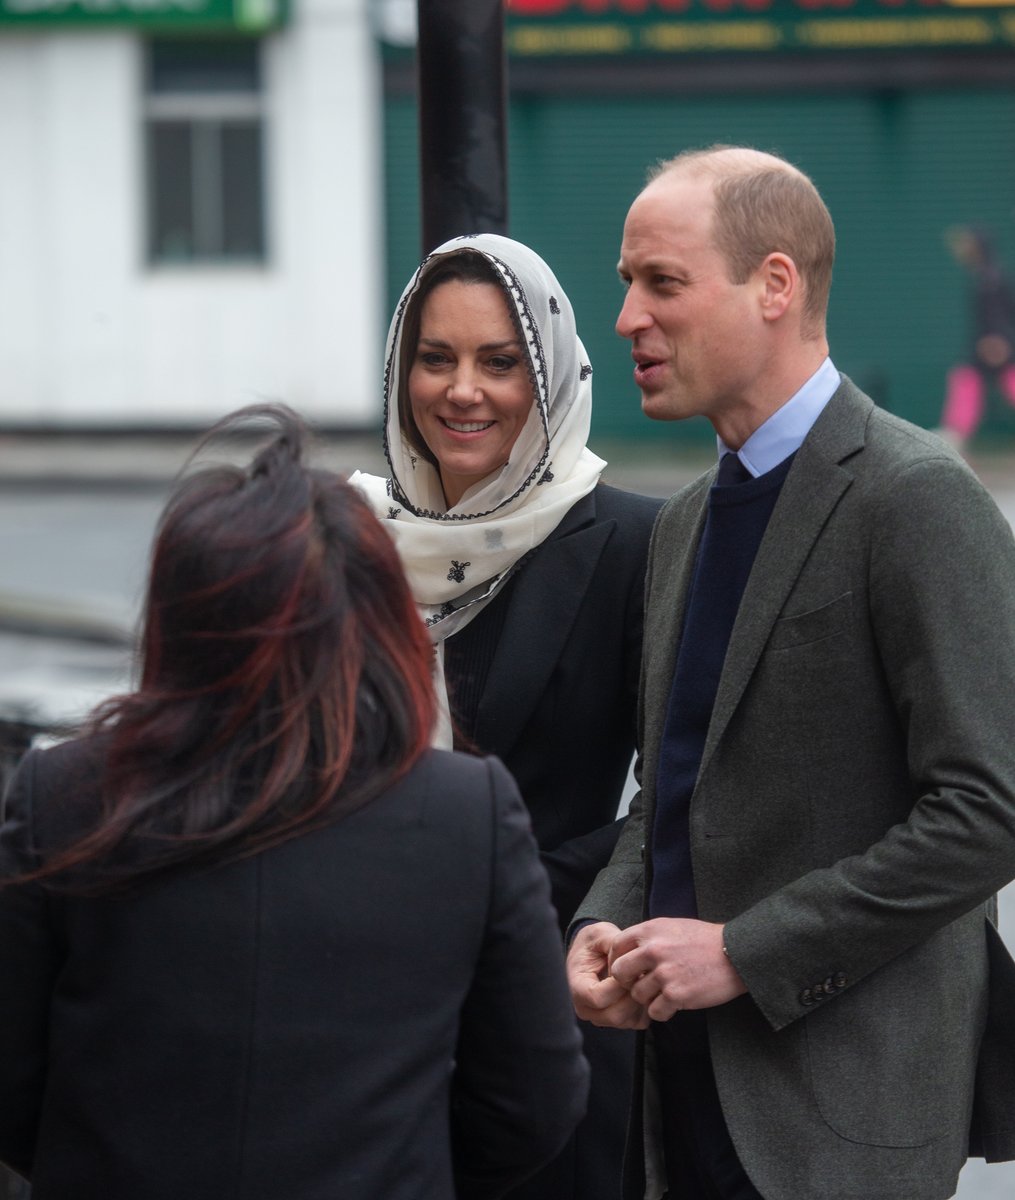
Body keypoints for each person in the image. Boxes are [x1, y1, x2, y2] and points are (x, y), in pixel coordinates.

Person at [566, 144, 1015, 1200]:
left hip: (834, 1125)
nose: (627, 317)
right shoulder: (681, 525)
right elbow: (672, 798)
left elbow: (991, 809)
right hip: (674, 1099)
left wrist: (746, 952)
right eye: (626, 285)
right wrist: (601, 921)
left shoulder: (913, 498)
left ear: (774, 285)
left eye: (661, 283)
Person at [0, 405, 589, 1200]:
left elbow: (14, 1084)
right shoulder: (465, 813)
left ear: (180, 621)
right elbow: (532, 1103)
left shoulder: (61, 795)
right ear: (379, 625)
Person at [351, 233, 662, 1200]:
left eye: (499, 363)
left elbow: (680, 793)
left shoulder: (629, 542)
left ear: (553, 375)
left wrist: (501, 892)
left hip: (544, 1007)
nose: (462, 392)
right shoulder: (347, 542)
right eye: (434, 359)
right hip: (362, 1014)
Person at [937, 225, 1015, 447]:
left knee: (969, 379)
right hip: (988, 347)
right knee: (965, 380)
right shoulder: (984, 276)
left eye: (969, 244)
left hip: (996, 347)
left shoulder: (992, 278)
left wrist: (999, 341)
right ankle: (954, 437)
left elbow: (1000, 314)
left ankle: (953, 437)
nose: (963, 249)